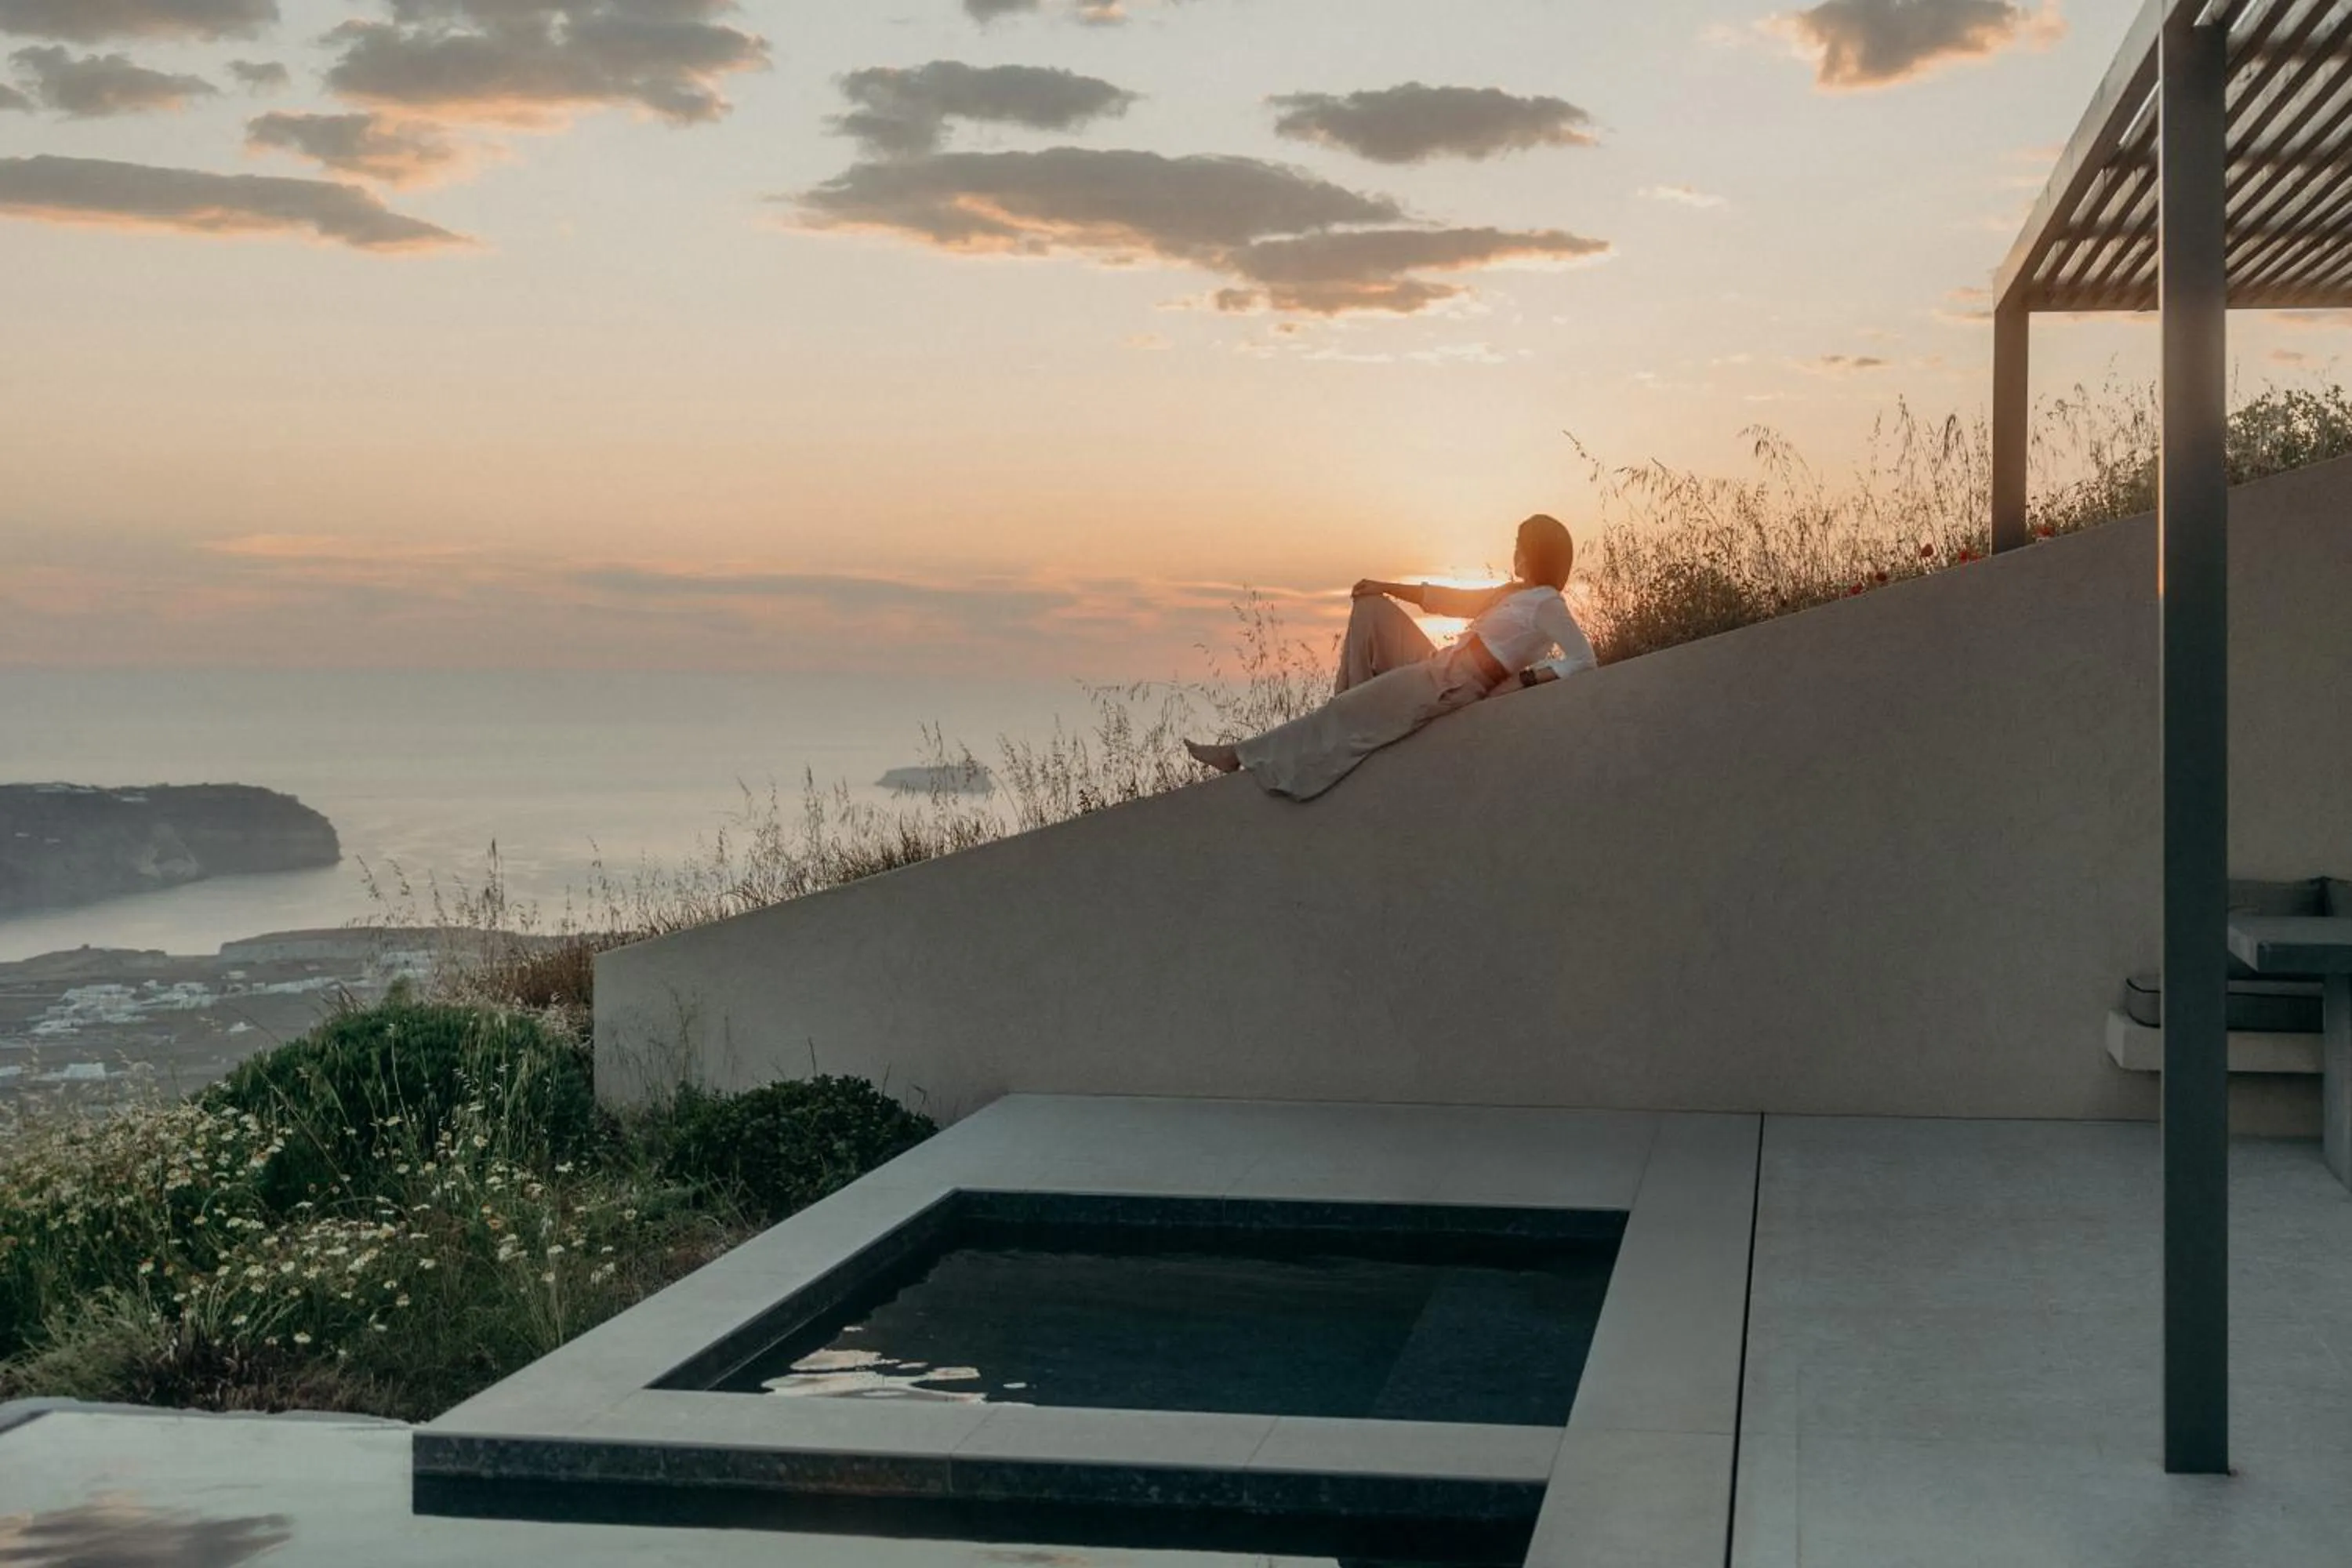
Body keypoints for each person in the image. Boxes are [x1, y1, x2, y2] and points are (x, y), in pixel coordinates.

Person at [1186, 513, 1596, 800]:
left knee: (1344, 710)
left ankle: (1240, 755)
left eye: (1520, 546)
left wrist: (1525, 682)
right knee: (1372, 609)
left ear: (1537, 552)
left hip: (1455, 686)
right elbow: (1452, 600)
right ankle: (1359, 706)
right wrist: (1384, 586)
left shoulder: (1547, 603)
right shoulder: (1515, 594)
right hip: (1441, 668)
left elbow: (1583, 659)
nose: (1515, 552)